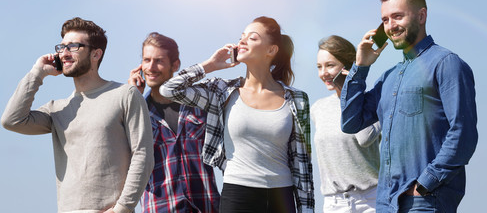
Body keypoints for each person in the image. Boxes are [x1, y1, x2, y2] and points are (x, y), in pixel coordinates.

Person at [340, 0, 478, 212]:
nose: (390, 26)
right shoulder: (388, 77)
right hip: (386, 202)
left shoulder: (447, 64)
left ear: (421, 15)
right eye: (385, 20)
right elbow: (350, 122)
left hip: (424, 201)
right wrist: (361, 67)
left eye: (397, 16)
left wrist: (425, 185)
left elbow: (463, 134)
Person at [159, 16, 314, 212]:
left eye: (252, 38)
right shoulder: (222, 92)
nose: (242, 41)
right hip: (238, 193)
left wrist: (307, 209)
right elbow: (170, 89)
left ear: (271, 50)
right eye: (242, 36)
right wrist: (211, 65)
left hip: (281, 196)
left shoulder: (297, 99)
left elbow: (303, 162)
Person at [1, 17, 154, 213]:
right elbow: (11, 120)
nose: (64, 53)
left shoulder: (125, 95)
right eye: (61, 47)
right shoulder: (57, 109)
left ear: (96, 54)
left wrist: (122, 209)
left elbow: (143, 154)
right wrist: (37, 73)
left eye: (73, 46)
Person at [127, 32, 220, 212]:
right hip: (161, 208)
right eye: (146, 60)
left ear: (175, 65)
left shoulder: (199, 105)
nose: (151, 67)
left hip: (207, 206)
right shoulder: (136, 113)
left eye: (159, 61)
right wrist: (132, 99)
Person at [312, 35, 381, 213]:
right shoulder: (318, 109)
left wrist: (349, 89)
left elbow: (364, 138)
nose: (323, 73)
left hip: (370, 202)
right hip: (334, 204)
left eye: (330, 65)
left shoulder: (370, 103)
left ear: (347, 66)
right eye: (319, 67)